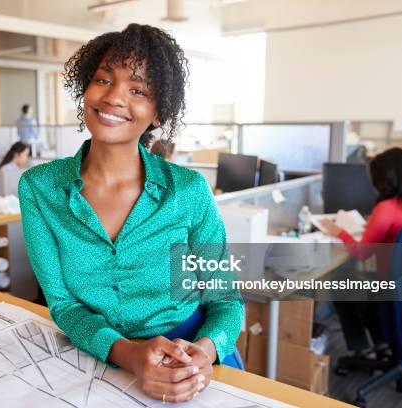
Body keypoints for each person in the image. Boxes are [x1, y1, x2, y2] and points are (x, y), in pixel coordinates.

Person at [18, 24, 243, 403]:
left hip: (191, 356)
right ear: (85, 89)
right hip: (98, 356)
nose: (115, 98)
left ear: (158, 113)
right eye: (104, 80)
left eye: (138, 90)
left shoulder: (187, 190)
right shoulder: (40, 188)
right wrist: (129, 354)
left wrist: (205, 350)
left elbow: (225, 298)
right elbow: (63, 304)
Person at [322, 147, 402, 356]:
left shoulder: (387, 207)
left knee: (340, 280)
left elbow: (361, 252)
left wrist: (338, 231)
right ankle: (381, 340)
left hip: (392, 290)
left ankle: (362, 347)